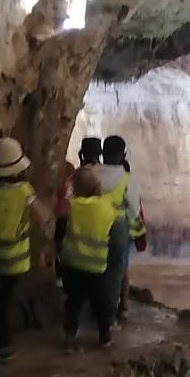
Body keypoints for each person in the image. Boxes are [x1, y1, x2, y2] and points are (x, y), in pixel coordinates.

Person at [0, 135, 45, 367]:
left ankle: (5, 345)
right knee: (3, 304)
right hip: (13, 258)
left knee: (2, 298)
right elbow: (42, 217)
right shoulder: (24, 191)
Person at [61, 165, 126, 351]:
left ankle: (70, 338)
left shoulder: (72, 206)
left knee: (73, 302)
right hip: (97, 266)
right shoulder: (107, 208)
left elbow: (61, 229)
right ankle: (104, 336)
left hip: (73, 264)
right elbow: (116, 239)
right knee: (102, 301)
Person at [98, 134, 144, 326]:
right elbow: (133, 210)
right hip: (117, 228)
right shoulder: (127, 179)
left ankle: (95, 310)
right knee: (116, 272)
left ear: (102, 153)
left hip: (94, 226)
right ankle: (111, 316)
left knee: (97, 269)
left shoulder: (92, 173)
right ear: (123, 155)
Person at [55, 135, 102, 266]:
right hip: (94, 218)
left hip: (67, 215)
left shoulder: (76, 171)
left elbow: (69, 194)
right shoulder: (99, 172)